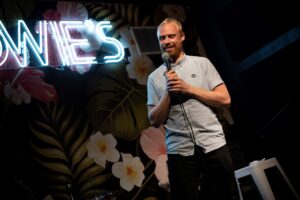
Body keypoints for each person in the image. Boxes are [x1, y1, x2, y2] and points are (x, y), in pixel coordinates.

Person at [146, 17, 240, 200]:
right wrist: (168, 92)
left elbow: (225, 99)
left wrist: (188, 88)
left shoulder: (202, 63)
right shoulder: (154, 77)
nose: (166, 42)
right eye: (162, 38)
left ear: (182, 37)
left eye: (171, 36)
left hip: (212, 143)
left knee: (226, 195)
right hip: (179, 151)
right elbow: (154, 120)